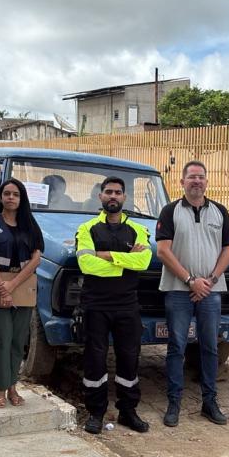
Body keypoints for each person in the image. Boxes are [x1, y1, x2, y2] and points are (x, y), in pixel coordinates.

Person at [156, 160, 229, 426]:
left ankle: (209, 402)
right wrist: (190, 280)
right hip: (179, 291)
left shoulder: (220, 212)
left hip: (210, 292)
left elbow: (228, 250)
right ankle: (173, 403)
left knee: (210, 347)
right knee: (176, 346)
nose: (196, 181)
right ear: (182, 182)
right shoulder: (170, 211)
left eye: (201, 177)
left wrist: (209, 281)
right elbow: (163, 251)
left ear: (207, 181)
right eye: (191, 177)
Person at [75, 177, 152, 434]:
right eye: (108, 192)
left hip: (127, 305)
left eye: (118, 192)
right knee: (95, 359)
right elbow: (87, 264)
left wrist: (106, 256)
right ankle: (96, 412)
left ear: (125, 198)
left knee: (129, 359)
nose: (113, 196)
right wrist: (125, 260)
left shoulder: (139, 230)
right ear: (100, 196)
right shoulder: (86, 229)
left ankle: (128, 412)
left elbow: (142, 263)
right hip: (95, 304)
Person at [0, 178, 43, 408]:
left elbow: (36, 259)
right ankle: (0, 389)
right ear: (1, 197)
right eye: (7, 193)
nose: (11, 198)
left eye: (15, 194)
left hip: (22, 285)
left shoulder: (31, 225)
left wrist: (12, 285)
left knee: (17, 342)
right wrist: (2, 288)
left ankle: (13, 387)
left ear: (21, 198)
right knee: (1, 340)